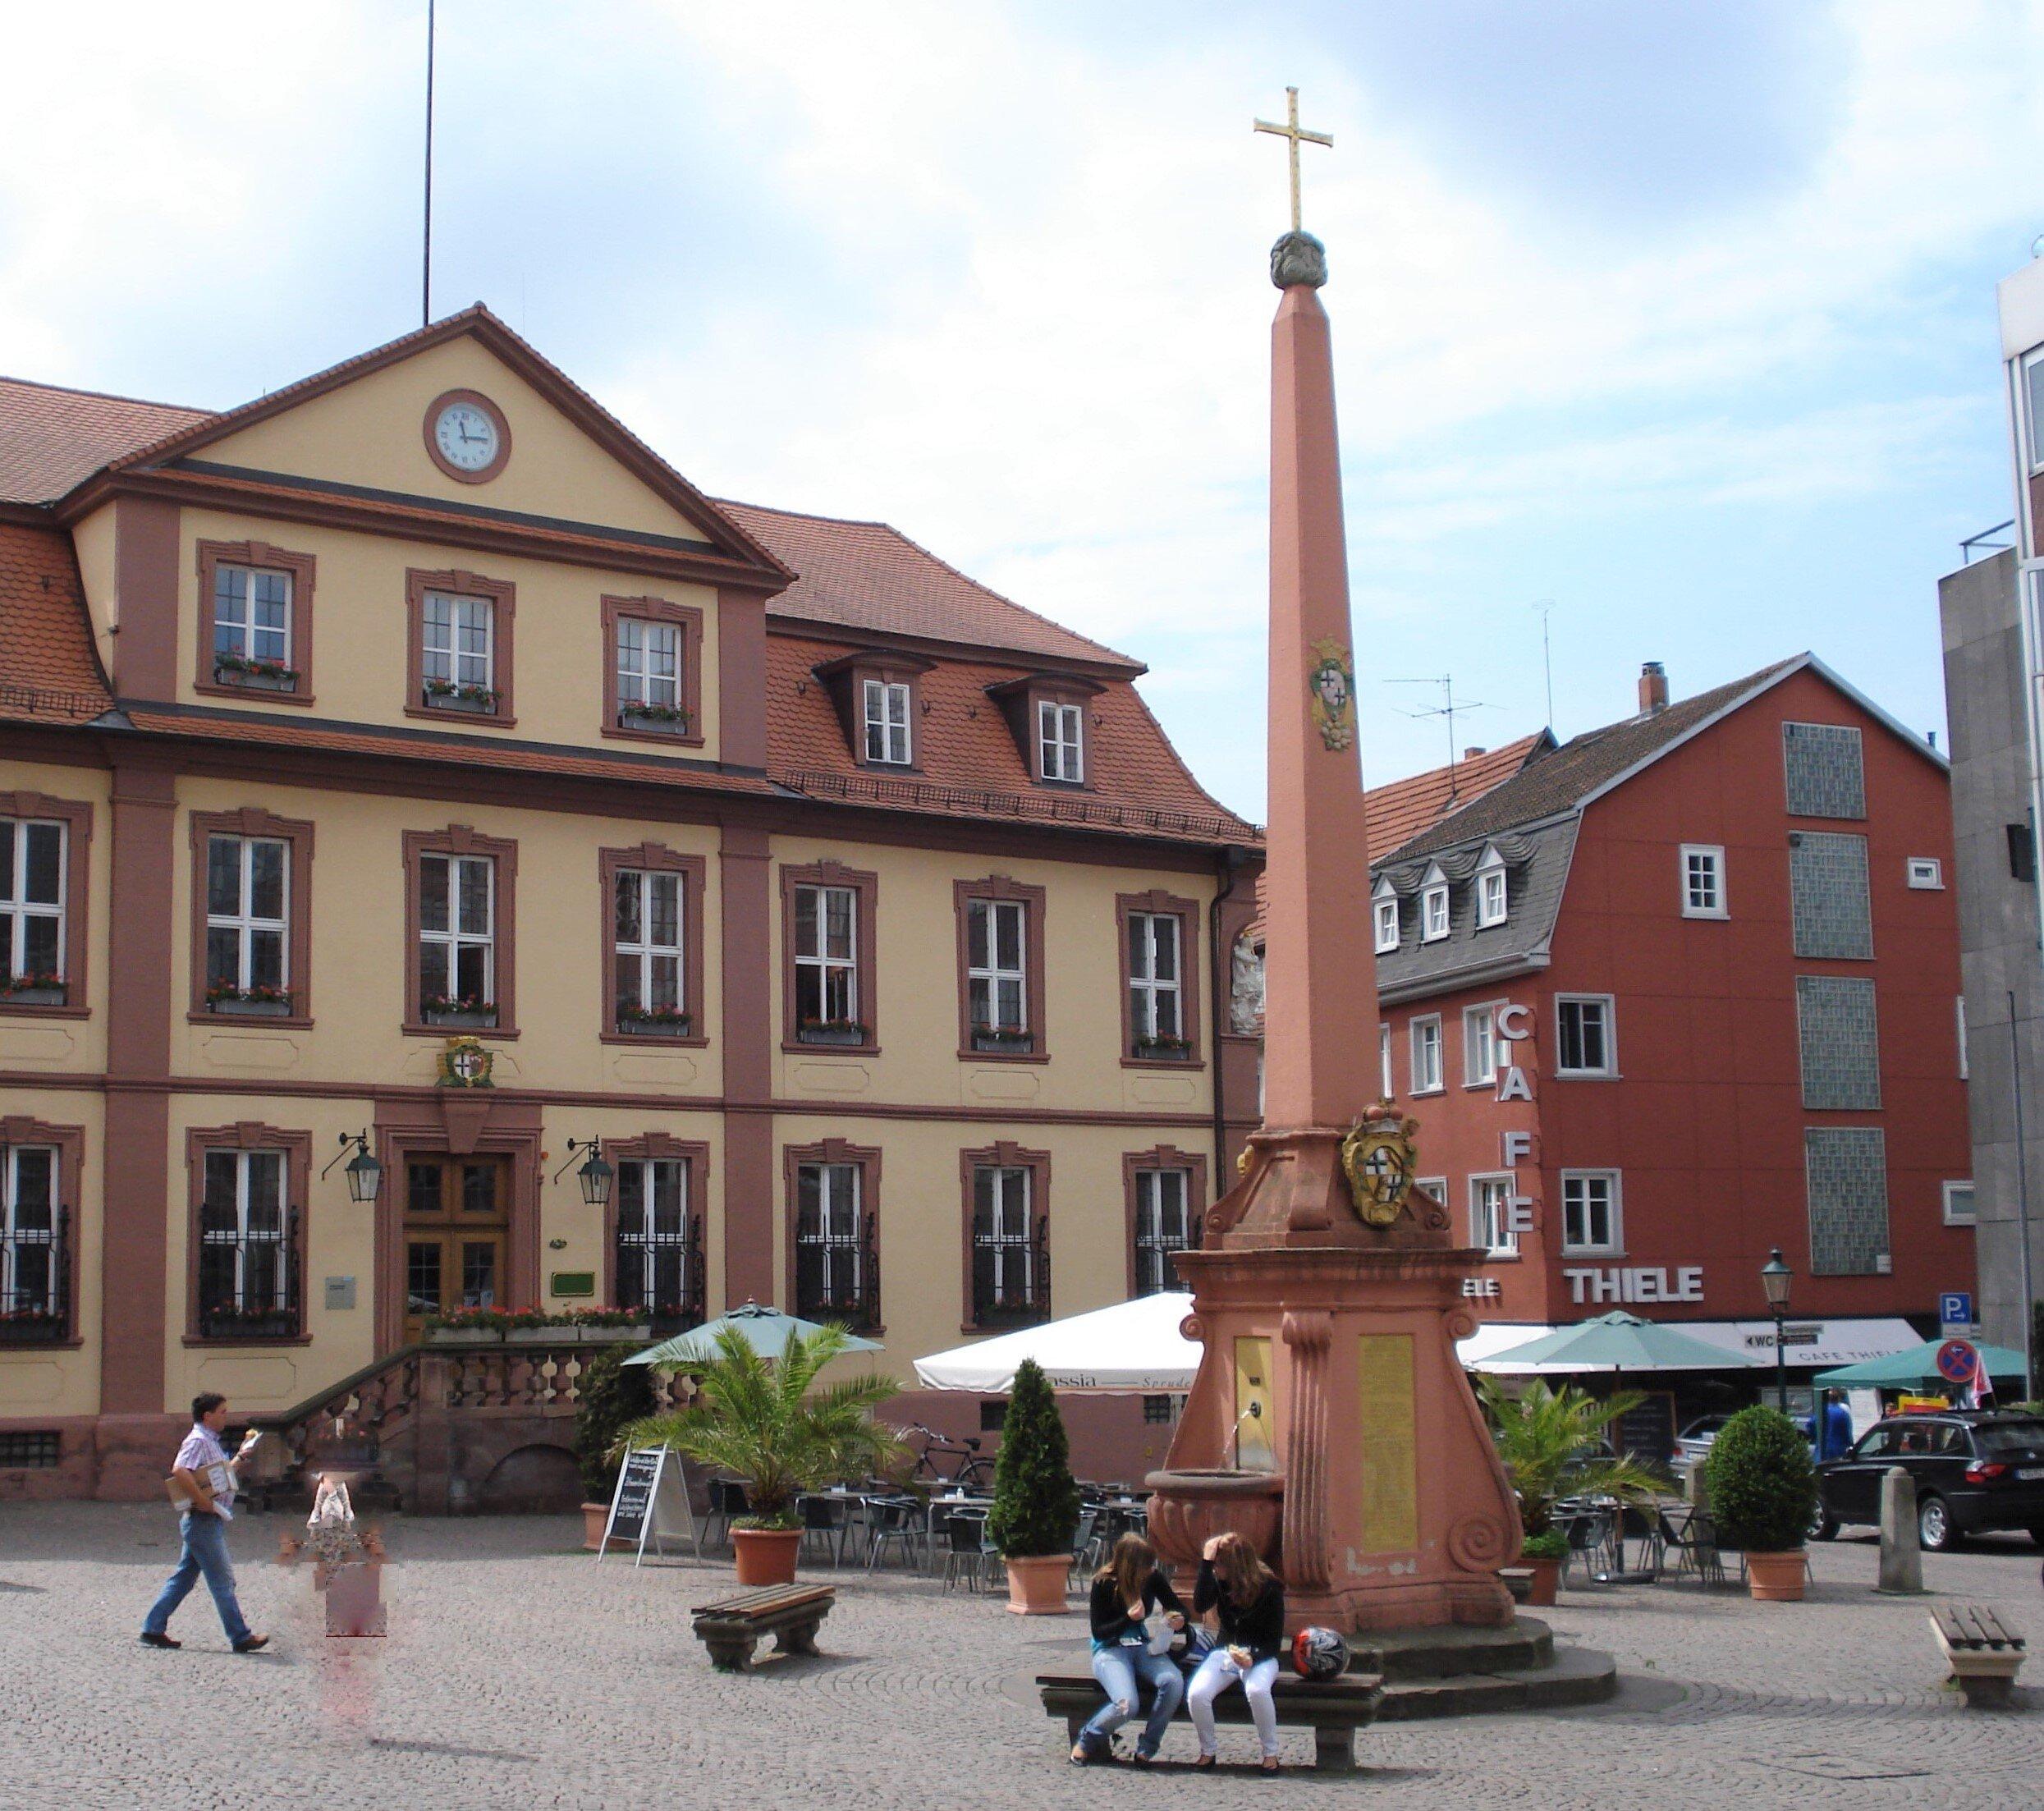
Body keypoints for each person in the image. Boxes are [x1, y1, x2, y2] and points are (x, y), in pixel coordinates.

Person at [140, 1392, 268, 1653]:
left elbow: (215, 1477)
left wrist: (240, 1459)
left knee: (183, 1579)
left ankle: (152, 1628)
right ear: (207, 1416)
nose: (226, 1416)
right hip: (204, 1520)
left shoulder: (208, 1440)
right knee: (222, 1581)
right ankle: (240, 1636)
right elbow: (179, 1470)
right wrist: (203, 1501)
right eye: (222, 1412)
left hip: (204, 1521)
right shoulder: (198, 1440)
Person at [1072, 1534, 1188, 1765]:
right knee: (1127, 1705)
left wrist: (1178, 1618)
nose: (1150, 1570)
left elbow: (1177, 1606)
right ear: (1131, 1566)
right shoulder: (1103, 1582)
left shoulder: (1151, 1578)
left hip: (1141, 1645)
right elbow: (1100, 1631)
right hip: (1110, 1649)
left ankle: (1148, 1747)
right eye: (1146, 1566)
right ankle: (1087, 1739)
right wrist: (1128, 1618)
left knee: (1173, 1682)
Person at [1187, 1531, 1286, 1771]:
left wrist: (1253, 1657)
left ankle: (1270, 1754)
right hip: (1225, 1651)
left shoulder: (1270, 1588)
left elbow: (1274, 1642)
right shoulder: (1220, 1582)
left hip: (1261, 1655)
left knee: (1257, 1690)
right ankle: (1208, 1751)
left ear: (1234, 1567)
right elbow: (1200, 1604)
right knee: (1197, 1694)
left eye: (1218, 1565)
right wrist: (1206, 1561)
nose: (1215, 1570)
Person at [1819, 1389, 1854, 1463]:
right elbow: (1847, 1431)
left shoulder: (1821, 1411)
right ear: (1838, 1399)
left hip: (1822, 1447)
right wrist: (1850, 1443)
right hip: (1838, 1447)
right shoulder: (1842, 1413)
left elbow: (1810, 1425)